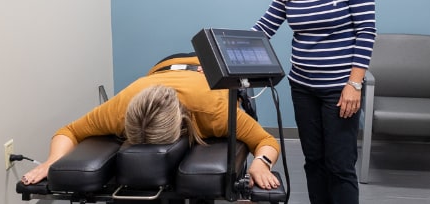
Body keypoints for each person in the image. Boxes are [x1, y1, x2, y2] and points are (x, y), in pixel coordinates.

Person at [250, 0, 376, 204]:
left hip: (340, 90)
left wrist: (354, 84)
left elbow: (366, 32)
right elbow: (263, 29)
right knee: (314, 161)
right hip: (303, 88)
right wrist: (218, 58)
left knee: (340, 165)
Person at [20, 53, 281, 191]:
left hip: (206, 67)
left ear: (183, 123)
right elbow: (68, 131)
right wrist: (52, 161)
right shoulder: (120, 108)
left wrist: (261, 163)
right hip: (164, 66)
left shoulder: (214, 111)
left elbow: (266, 141)